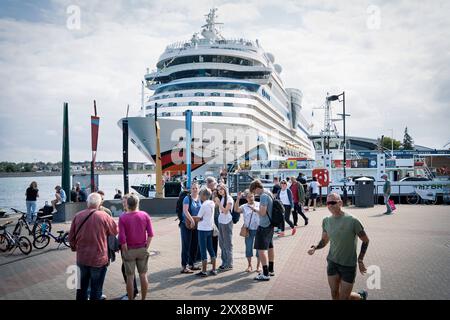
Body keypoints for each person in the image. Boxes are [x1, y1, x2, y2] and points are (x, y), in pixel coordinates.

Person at [307, 193, 369, 300]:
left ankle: (360, 296)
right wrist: (315, 247)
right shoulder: (326, 221)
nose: (330, 205)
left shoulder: (353, 221)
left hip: (348, 265)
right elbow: (324, 240)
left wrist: (360, 260)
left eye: (333, 202)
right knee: (335, 294)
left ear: (340, 203)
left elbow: (365, 240)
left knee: (344, 297)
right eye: (328, 203)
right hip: (332, 262)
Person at [68, 193, 118, 300]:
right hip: (99, 259)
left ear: (87, 203)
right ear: (99, 204)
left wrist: (74, 247)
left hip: (82, 258)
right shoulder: (104, 216)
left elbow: (71, 237)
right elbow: (115, 230)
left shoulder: (78, 216)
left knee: (81, 289)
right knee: (96, 289)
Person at [119, 193, 154, 300]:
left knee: (130, 277)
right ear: (138, 203)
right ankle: (143, 298)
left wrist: (125, 250)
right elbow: (151, 234)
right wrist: (146, 246)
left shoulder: (123, 217)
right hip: (142, 249)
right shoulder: (145, 215)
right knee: (143, 275)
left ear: (127, 205)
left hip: (129, 249)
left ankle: (131, 298)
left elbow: (122, 238)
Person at [249, 179, 275, 281]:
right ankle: (271, 270)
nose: (255, 194)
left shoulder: (263, 196)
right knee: (270, 247)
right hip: (270, 224)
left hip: (264, 225)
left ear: (257, 188)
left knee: (260, 250)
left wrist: (255, 210)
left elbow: (263, 213)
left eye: (254, 191)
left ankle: (265, 273)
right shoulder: (268, 192)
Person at [234, 190, 261, 273]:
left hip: (259, 229)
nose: (250, 198)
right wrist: (238, 199)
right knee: (248, 248)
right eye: (248, 197)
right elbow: (236, 210)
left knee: (259, 248)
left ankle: (258, 265)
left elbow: (264, 213)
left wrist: (255, 210)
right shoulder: (244, 206)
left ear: (254, 196)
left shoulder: (258, 204)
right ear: (246, 198)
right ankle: (249, 265)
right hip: (248, 230)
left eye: (252, 196)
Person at [192, 188, 217, 277]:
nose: (199, 196)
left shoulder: (204, 205)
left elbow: (199, 218)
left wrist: (191, 217)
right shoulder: (212, 203)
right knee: (211, 248)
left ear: (204, 195)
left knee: (203, 250)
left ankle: (204, 271)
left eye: (200, 194)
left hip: (202, 229)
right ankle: (214, 269)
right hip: (210, 229)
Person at [118, 194, 139, 300]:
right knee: (127, 269)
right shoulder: (125, 213)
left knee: (127, 270)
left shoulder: (128, 214)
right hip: (127, 246)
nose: (123, 203)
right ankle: (133, 291)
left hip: (128, 246)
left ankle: (132, 293)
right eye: (122, 202)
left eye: (125, 202)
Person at [180, 182, 202, 274]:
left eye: (196, 188)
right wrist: (192, 220)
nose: (194, 190)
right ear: (190, 189)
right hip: (187, 224)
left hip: (196, 225)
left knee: (194, 244)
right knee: (186, 245)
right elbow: (185, 211)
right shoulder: (187, 198)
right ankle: (184, 266)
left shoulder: (200, 198)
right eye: (193, 188)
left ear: (199, 189)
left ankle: (192, 264)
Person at [216, 183, 234, 270]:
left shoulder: (229, 198)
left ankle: (229, 263)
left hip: (227, 222)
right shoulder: (222, 198)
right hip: (221, 221)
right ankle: (224, 262)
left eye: (221, 189)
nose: (220, 191)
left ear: (225, 189)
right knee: (222, 243)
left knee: (227, 243)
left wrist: (219, 203)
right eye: (219, 190)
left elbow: (226, 211)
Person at [206, 176, 219, 257]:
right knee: (210, 237)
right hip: (209, 217)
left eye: (207, 184)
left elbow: (216, 205)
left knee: (214, 236)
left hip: (215, 217)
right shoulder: (207, 192)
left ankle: (213, 255)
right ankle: (212, 255)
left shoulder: (217, 192)